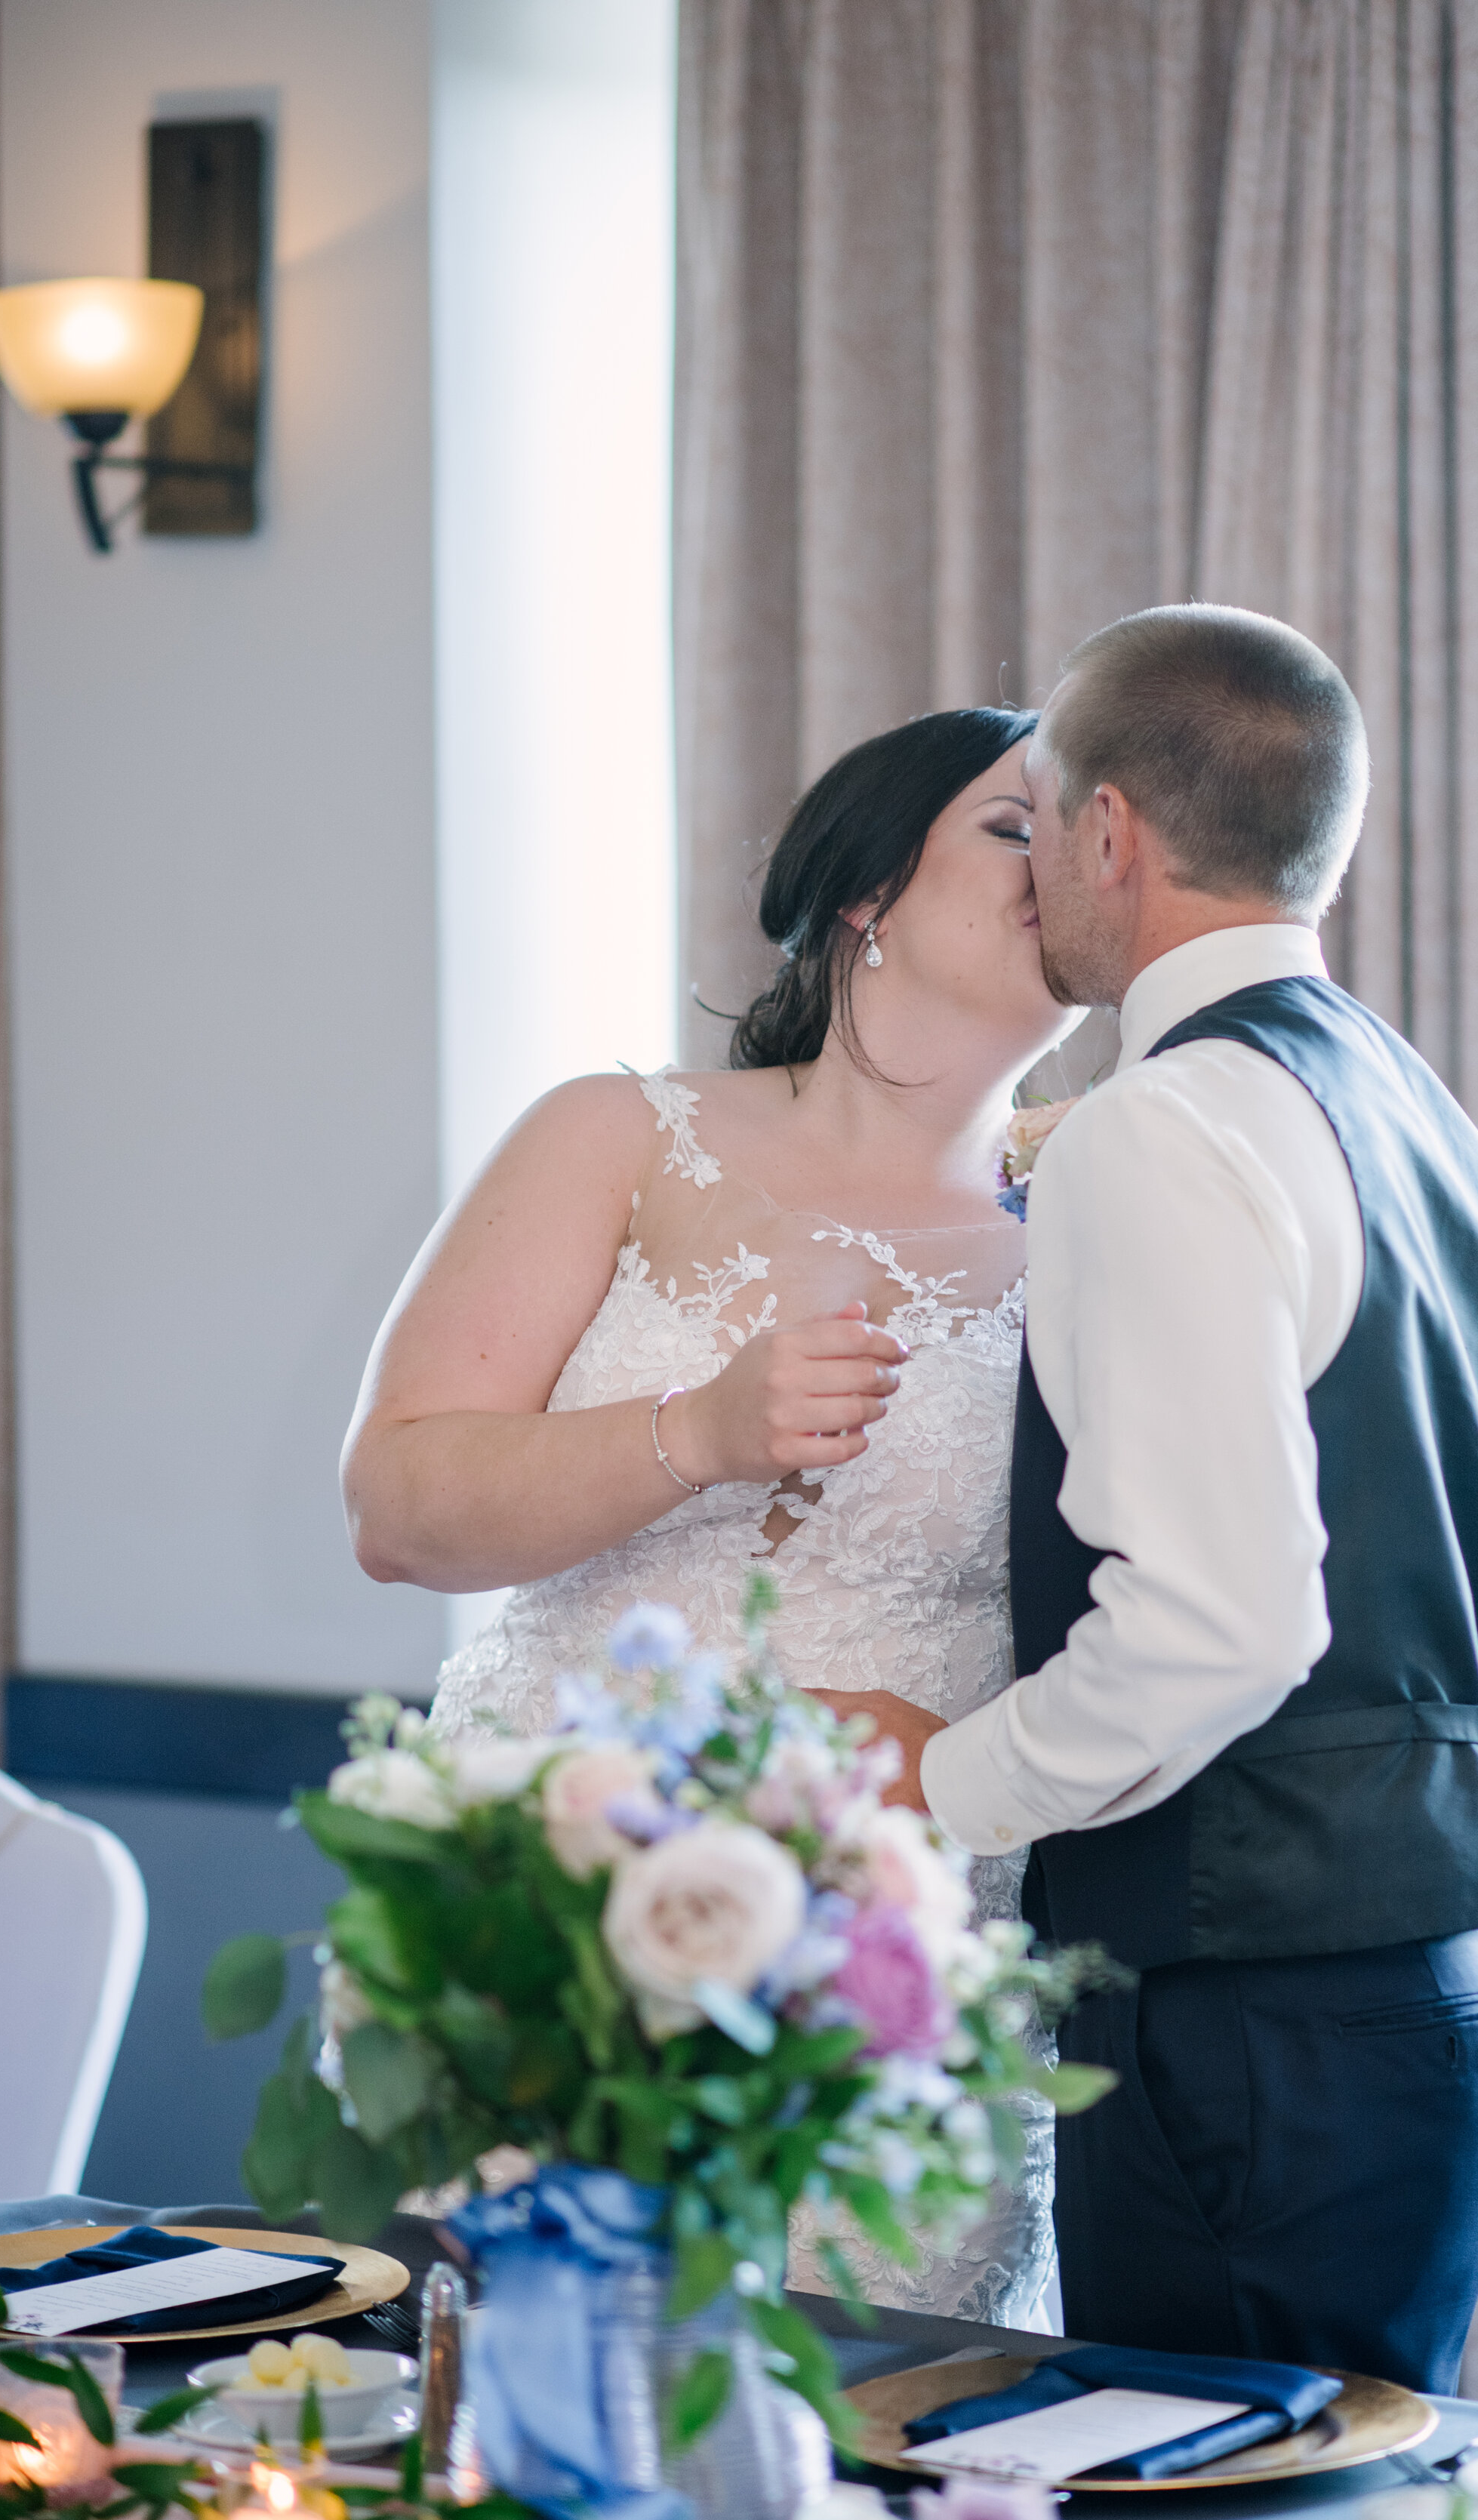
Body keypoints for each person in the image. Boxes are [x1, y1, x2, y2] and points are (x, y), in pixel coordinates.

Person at [917, 604, 1478, 2395]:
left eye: (1035, 818)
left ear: (1110, 831)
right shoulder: (1453, 1141)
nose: (1031, 868)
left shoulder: (1162, 1126)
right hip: (1453, 1988)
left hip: (1244, 2022)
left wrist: (933, 1788)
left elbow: (1218, 1624)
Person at [342, 706, 1076, 2327]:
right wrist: (698, 1431)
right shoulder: (619, 1137)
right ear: (866, 889)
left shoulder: (1101, 1227)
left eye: (1084, 833)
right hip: (562, 1941)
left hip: (890, 1995)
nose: (1063, 862)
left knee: (864, 2444)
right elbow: (395, 1505)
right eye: (1010, 826)